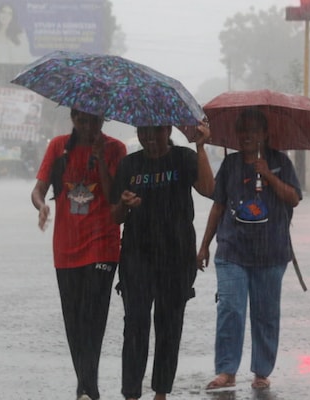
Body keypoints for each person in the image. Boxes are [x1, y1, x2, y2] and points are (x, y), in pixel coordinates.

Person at [196, 107, 302, 391]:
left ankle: (261, 371)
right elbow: (218, 204)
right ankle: (226, 370)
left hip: (271, 253)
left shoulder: (279, 161)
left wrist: (268, 175)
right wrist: (204, 245)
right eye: (242, 130)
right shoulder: (230, 165)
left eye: (253, 131)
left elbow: (293, 198)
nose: (246, 136)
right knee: (230, 308)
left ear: (265, 134)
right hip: (232, 252)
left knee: (265, 313)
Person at [110, 122, 214, 400]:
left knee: (169, 326)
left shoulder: (184, 158)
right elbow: (115, 216)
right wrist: (123, 203)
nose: (149, 138)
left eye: (155, 131)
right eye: (143, 132)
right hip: (136, 256)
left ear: (168, 130)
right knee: (135, 325)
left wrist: (201, 146)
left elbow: (208, 188)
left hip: (176, 257)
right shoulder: (129, 165)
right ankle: (131, 393)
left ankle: (161, 393)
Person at [31, 109, 126, 400]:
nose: (88, 127)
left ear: (103, 121)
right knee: (73, 319)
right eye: (82, 121)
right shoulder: (58, 147)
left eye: (94, 121)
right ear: (72, 118)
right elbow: (38, 189)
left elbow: (114, 198)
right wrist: (42, 206)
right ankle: (84, 383)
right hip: (66, 247)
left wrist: (98, 159)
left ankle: (88, 386)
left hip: (103, 245)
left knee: (93, 316)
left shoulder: (115, 149)